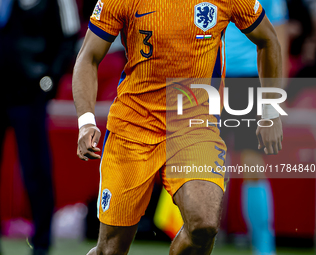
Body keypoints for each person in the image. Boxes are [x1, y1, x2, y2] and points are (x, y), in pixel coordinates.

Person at [72, 0, 284, 254]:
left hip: (194, 125)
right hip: (133, 125)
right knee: (110, 250)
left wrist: (270, 109)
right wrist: (85, 121)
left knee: (203, 225)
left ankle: (264, 246)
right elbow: (88, 56)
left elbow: (269, 39)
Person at [0, 0, 80, 254]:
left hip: (28, 91)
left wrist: (47, 80)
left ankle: (41, 243)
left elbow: (70, 36)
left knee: (36, 170)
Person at [220, 0, 288, 254]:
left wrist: (275, 96)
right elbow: (278, 35)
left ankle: (263, 245)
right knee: (214, 165)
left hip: (244, 76)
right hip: (221, 75)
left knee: (241, 164)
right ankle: (263, 247)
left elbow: (277, 36)